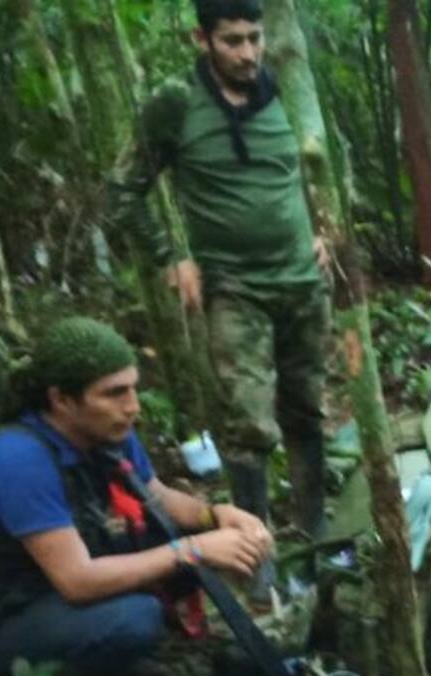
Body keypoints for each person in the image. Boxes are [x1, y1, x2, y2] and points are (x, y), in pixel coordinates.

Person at [0, 317, 273, 676]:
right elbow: (76, 580)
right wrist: (193, 550)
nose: (132, 406)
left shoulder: (106, 430)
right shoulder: (18, 460)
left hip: (69, 567)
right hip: (10, 613)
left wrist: (214, 516)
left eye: (133, 389)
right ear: (61, 400)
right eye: (114, 394)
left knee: (171, 542)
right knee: (135, 619)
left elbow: (155, 497)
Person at [110, 0, 330, 603]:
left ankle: (315, 535)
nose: (247, 53)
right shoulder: (176, 103)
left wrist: (324, 225)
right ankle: (255, 556)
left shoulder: (287, 86)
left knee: (308, 409)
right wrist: (170, 259)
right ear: (201, 38)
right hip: (233, 286)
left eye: (254, 38)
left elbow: (321, 165)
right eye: (232, 41)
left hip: (302, 282)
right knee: (247, 425)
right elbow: (123, 189)